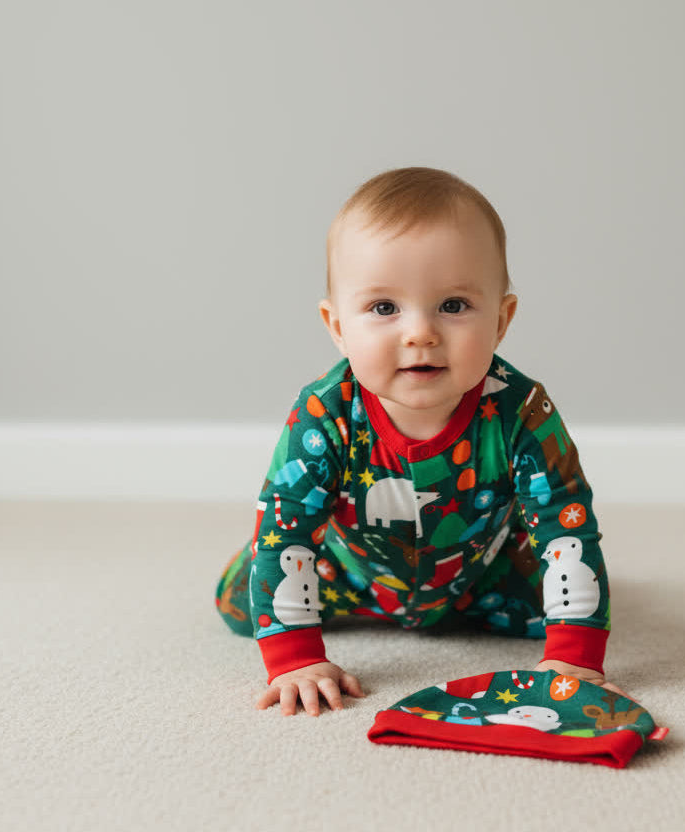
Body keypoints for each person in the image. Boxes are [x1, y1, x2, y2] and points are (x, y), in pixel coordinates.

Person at [215, 166, 626, 716]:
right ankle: (307, 595)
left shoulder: (521, 411)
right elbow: (287, 529)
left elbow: (566, 523)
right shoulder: (324, 413)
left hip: (482, 573)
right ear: (337, 326)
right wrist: (296, 659)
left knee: (565, 601)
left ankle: (468, 612)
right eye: (384, 308)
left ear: (501, 320)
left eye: (453, 306)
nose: (420, 333)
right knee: (244, 603)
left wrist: (575, 658)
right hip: (350, 571)